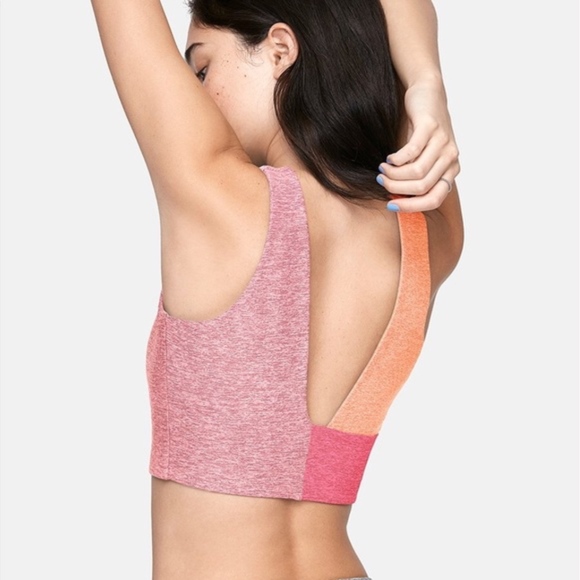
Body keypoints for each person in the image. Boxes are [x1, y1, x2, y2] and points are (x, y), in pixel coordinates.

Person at [90, 0, 464, 578]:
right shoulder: (428, 235)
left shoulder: (218, 195)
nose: (196, 95)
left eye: (202, 68)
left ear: (280, 50)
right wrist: (426, 84)